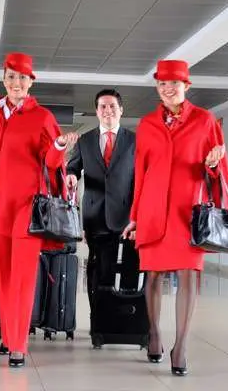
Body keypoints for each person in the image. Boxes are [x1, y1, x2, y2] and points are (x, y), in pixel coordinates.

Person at [0, 52, 79, 368]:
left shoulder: (41, 116)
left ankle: (18, 344)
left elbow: (52, 163)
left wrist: (58, 147)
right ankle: (8, 335)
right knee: (2, 276)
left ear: (31, 82)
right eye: (11, 77)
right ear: (4, 80)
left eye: (23, 78)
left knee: (23, 277)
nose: (17, 83)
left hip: (28, 208)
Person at [122, 60, 228, 376]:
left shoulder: (205, 120)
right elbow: (140, 173)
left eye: (174, 83)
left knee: (187, 274)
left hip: (188, 210)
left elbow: (216, 171)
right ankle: (154, 332)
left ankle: (181, 345)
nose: (167, 89)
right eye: (162, 84)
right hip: (153, 208)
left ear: (187, 86)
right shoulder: (147, 124)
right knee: (153, 275)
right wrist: (135, 216)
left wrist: (212, 164)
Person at [65, 89, 136, 326]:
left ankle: (124, 316)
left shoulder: (134, 140)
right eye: (103, 107)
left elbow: (142, 177)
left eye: (112, 106)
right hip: (95, 216)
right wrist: (72, 176)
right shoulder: (85, 141)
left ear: (121, 110)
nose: (107, 111)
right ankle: (98, 316)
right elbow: (73, 167)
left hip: (127, 216)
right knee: (98, 268)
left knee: (128, 266)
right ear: (96, 111)